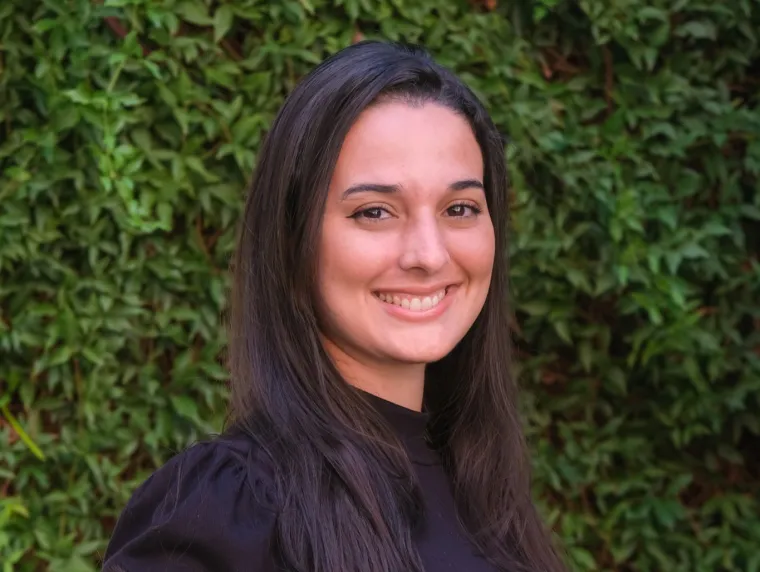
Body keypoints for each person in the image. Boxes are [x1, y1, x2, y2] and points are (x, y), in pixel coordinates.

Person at [102, 41, 567, 572]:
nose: (428, 254)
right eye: (374, 212)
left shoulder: (482, 490)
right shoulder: (230, 509)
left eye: (459, 208)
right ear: (294, 240)